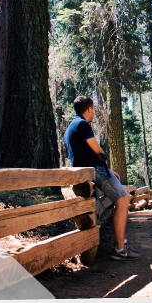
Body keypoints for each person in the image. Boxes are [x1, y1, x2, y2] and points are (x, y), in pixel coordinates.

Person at [64, 95, 141, 260]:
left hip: (89, 170)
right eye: (93, 110)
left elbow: (84, 153)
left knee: (119, 199)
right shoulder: (82, 124)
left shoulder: (71, 127)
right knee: (123, 199)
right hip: (95, 170)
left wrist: (109, 170)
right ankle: (120, 248)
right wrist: (104, 160)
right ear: (89, 109)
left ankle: (119, 242)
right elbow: (96, 150)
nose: (93, 114)